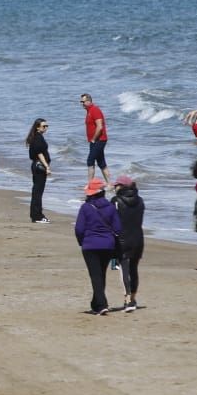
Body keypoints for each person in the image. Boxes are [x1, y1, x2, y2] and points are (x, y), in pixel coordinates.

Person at [76, 178, 123, 315]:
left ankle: (102, 304)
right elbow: (118, 228)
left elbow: (79, 229)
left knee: (95, 275)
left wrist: (82, 241)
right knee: (100, 274)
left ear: (91, 193)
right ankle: (96, 304)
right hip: (108, 245)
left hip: (90, 245)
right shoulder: (110, 207)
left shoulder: (85, 207)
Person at [113, 175, 145, 310]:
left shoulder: (115, 201)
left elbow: (111, 221)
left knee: (123, 269)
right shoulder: (141, 201)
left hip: (122, 240)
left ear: (121, 186)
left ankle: (127, 299)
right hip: (138, 239)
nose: (114, 187)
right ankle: (133, 299)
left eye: (116, 185)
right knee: (134, 269)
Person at [25, 118, 52, 223]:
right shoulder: (37, 138)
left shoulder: (37, 137)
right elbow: (39, 154)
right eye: (44, 126)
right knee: (37, 192)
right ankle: (38, 216)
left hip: (37, 166)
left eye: (47, 126)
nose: (46, 128)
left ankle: (35, 215)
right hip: (39, 166)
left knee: (37, 191)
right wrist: (47, 166)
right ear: (37, 127)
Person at [81, 93, 108, 182]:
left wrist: (93, 139)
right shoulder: (89, 111)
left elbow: (99, 127)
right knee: (101, 162)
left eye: (83, 102)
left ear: (89, 101)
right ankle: (109, 184)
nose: (81, 103)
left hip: (99, 140)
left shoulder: (95, 110)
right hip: (95, 141)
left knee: (90, 161)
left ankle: (90, 184)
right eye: (81, 102)